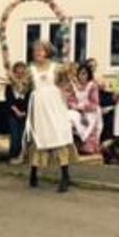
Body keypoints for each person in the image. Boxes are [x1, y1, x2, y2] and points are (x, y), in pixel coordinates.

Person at [25, 40, 77, 193]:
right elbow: (22, 88)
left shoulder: (57, 67)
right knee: (39, 137)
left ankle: (65, 175)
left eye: (40, 50)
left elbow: (68, 83)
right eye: (35, 51)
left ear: (47, 51)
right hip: (39, 106)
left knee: (58, 135)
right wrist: (13, 80)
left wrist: (70, 74)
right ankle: (33, 172)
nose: (37, 53)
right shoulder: (31, 70)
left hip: (55, 105)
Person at [67, 62, 102, 155]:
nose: (82, 76)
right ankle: (73, 142)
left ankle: (88, 146)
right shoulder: (75, 86)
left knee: (89, 121)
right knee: (69, 116)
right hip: (77, 110)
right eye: (80, 73)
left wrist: (83, 108)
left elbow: (95, 103)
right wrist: (74, 106)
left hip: (90, 111)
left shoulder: (92, 86)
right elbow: (71, 99)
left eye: (84, 73)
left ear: (88, 75)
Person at [5, 61, 30, 164]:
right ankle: (13, 155)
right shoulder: (10, 87)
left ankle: (22, 155)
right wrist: (17, 111)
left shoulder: (28, 88)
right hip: (13, 114)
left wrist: (25, 112)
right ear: (14, 73)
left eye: (22, 73)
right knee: (15, 136)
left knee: (23, 136)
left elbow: (29, 101)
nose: (19, 75)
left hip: (25, 114)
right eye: (17, 72)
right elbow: (9, 101)